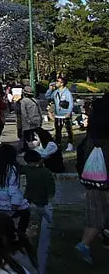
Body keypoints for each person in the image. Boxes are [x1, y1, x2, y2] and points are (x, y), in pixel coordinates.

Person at [75, 97, 109, 265]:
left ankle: (85, 244)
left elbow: (79, 160)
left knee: (95, 215)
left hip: (92, 181)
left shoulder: (90, 139)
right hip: (106, 182)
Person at [20, 149, 55, 274]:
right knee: (28, 209)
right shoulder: (27, 168)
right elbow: (20, 169)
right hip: (29, 194)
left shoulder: (45, 172)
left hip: (41, 195)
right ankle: (31, 220)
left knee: (40, 210)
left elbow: (51, 185)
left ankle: (49, 220)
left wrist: (50, 196)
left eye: (32, 163)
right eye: (29, 163)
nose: (31, 165)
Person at [0, 145, 30, 241]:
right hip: (7, 201)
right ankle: (21, 236)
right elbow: (13, 188)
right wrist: (16, 202)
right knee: (25, 213)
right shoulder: (13, 168)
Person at [50, 76, 75, 152]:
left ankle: (70, 144)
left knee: (68, 130)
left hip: (65, 114)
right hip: (58, 115)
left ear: (62, 83)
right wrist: (50, 89)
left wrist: (68, 112)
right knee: (58, 131)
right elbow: (49, 97)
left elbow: (71, 103)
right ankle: (58, 145)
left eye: (58, 81)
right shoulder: (55, 92)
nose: (56, 82)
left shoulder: (67, 92)